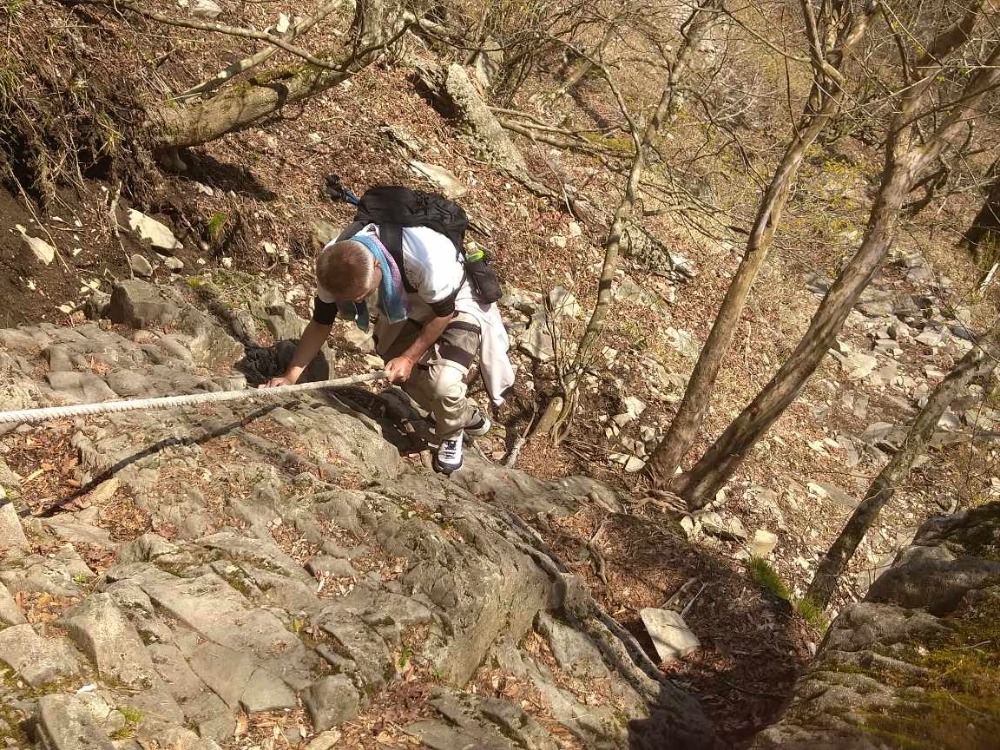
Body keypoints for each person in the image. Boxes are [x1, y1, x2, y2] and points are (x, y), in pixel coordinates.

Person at [262, 213, 514, 474]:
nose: (358, 302)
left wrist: (408, 357)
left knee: (443, 384)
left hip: (458, 301)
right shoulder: (331, 264)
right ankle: (462, 414)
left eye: (363, 295)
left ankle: (451, 432)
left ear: (377, 266)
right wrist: (291, 376)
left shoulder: (426, 257)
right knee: (396, 369)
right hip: (409, 299)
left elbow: (444, 313)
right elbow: (321, 322)